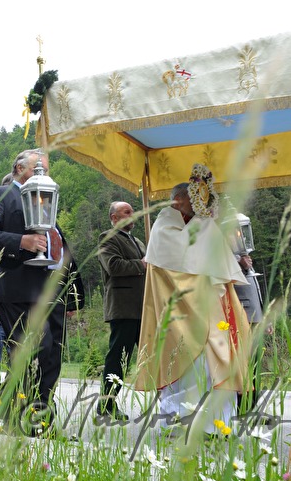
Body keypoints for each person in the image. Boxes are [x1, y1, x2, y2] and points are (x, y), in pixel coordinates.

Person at [134, 172, 251, 434]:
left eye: (200, 199)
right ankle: (182, 424)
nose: (199, 204)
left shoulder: (200, 223)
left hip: (211, 310)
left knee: (214, 367)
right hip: (178, 313)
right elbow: (183, 259)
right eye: (193, 199)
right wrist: (206, 223)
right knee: (187, 367)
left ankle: (216, 425)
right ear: (177, 200)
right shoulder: (164, 225)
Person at [0, 148, 76, 430]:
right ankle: (17, 417)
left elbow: (58, 242)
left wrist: (69, 293)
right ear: (20, 168)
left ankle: (37, 417)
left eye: (46, 169)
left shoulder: (45, 198)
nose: (43, 174)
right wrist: (23, 242)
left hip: (49, 291)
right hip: (16, 287)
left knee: (51, 354)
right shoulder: (1, 194)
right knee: (30, 351)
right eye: (38, 168)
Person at [97, 201, 146, 422]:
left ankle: (170, 404)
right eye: (127, 212)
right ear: (114, 218)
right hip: (123, 307)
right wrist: (143, 265)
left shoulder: (138, 242)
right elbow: (114, 266)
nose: (132, 215)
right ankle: (106, 404)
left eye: (133, 211)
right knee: (118, 358)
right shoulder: (108, 238)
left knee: (155, 356)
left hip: (145, 308)